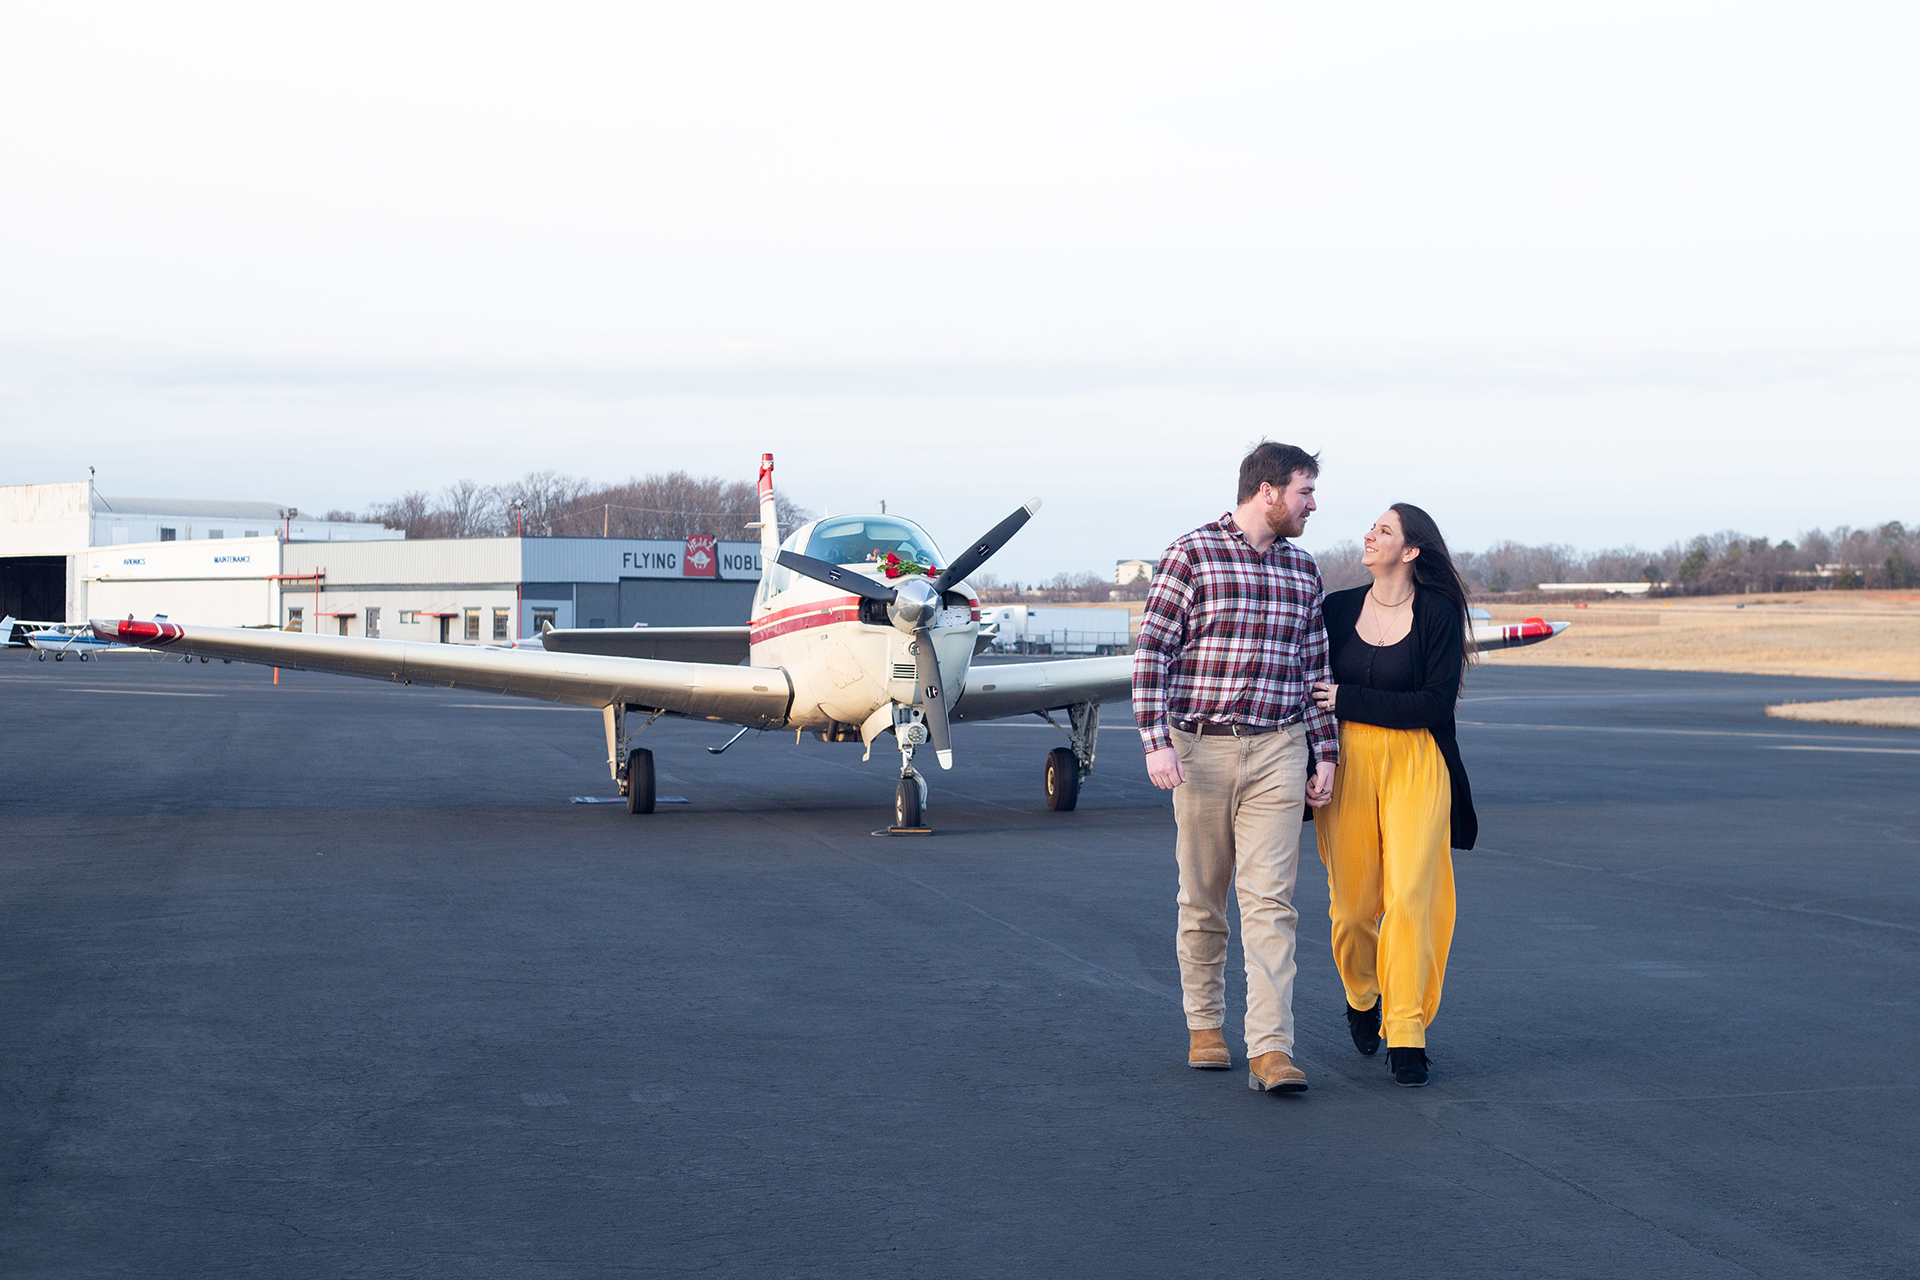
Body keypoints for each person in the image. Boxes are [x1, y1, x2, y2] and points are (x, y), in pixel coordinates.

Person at [1133, 442, 1339, 1094]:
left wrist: (1325, 751)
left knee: (1271, 903)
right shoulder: (1191, 555)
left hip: (1280, 749)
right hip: (1200, 748)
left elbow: (1316, 671)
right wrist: (1154, 741)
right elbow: (1153, 654)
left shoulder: (1303, 571)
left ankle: (1271, 1049)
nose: (1313, 504)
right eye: (1305, 492)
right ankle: (1204, 1026)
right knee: (1203, 898)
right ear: (1270, 491)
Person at [1309, 503, 1478, 1087]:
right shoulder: (1335, 610)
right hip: (1349, 762)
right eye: (1372, 527)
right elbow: (1310, 688)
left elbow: (1433, 704)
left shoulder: (1438, 612)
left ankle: (1407, 1032)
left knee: (1409, 895)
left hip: (1416, 761)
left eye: (1384, 530)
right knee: (1353, 908)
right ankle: (1362, 994)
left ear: (1410, 552)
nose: (1369, 534)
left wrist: (1347, 698)